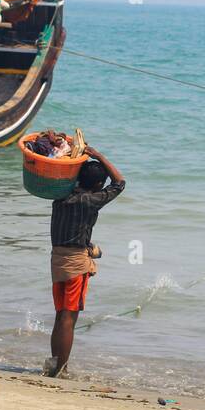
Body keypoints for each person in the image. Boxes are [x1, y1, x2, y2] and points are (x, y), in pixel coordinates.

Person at [44, 146, 126, 377]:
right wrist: (99, 155)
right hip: (75, 265)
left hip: (56, 261)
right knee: (69, 319)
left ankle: (55, 365)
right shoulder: (91, 200)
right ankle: (60, 369)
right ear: (99, 185)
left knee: (60, 316)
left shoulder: (60, 198)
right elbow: (119, 183)